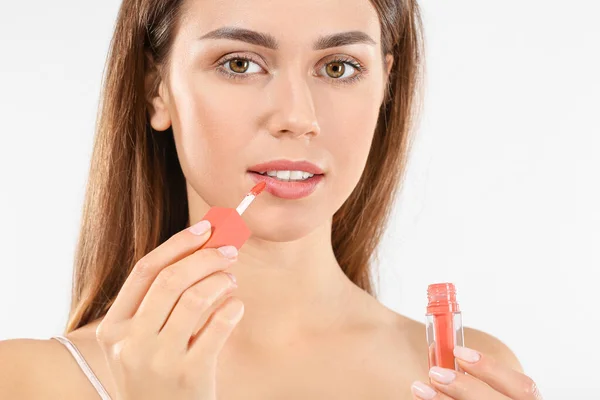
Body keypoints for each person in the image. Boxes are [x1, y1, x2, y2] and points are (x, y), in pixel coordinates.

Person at [0, 0, 542, 399]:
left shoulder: (468, 372)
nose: (296, 117)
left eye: (339, 68)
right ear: (155, 88)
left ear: (385, 86)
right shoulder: (22, 381)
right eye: (240, 63)